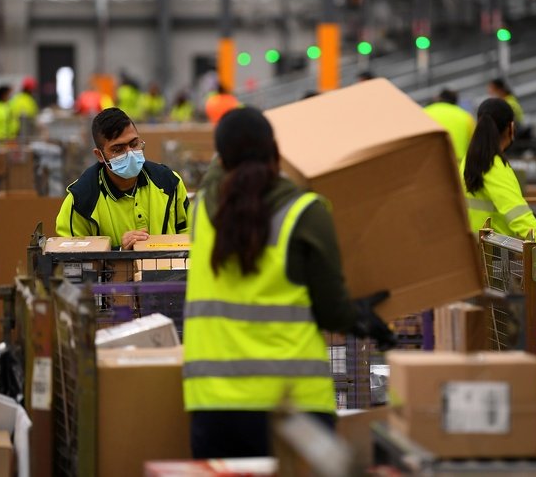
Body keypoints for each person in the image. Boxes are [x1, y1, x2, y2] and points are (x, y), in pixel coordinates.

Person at [183, 107, 397, 459]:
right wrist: (360, 316)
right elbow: (332, 312)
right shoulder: (305, 213)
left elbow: (216, 176)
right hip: (293, 405)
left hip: (213, 404)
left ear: (221, 158)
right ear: (275, 151)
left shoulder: (201, 211)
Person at [56, 108, 189, 249]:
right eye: (118, 149)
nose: (130, 153)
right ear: (100, 155)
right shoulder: (81, 200)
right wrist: (118, 252)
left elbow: (192, 234)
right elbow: (70, 255)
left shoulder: (169, 183)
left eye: (134, 144)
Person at [460, 98, 536, 244]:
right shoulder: (493, 165)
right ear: (511, 127)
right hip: (495, 252)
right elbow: (518, 214)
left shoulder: (468, 160)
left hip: (472, 248)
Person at [424, 89, 476, 163]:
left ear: (439, 99)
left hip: (431, 162)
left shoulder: (424, 112)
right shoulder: (466, 116)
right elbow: (475, 142)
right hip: (457, 164)